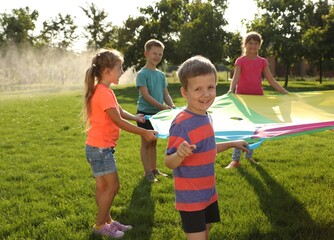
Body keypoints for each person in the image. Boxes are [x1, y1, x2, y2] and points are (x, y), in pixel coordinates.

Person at [165, 56, 250, 240]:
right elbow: (169, 162)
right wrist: (179, 154)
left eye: (210, 87)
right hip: (191, 198)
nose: (206, 94)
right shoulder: (182, 124)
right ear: (185, 92)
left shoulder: (205, 116)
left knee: (207, 228)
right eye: (197, 89)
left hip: (208, 192)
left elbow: (207, 148)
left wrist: (231, 144)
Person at [83, 49, 157, 238]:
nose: (122, 71)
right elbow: (118, 121)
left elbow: (120, 111)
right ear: (107, 70)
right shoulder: (104, 93)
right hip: (101, 149)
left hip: (95, 147)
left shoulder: (102, 90)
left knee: (102, 187)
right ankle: (100, 225)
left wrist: (136, 117)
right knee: (113, 187)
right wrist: (144, 132)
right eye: (120, 68)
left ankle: (107, 220)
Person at [226, 31, 289, 169]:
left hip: (258, 100)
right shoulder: (240, 61)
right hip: (241, 100)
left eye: (256, 43)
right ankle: (235, 160)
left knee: (253, 130)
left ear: (259, 46)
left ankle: (249, 156)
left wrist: (284, 92)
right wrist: (231, 90)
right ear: (245, 44)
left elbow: (271, 80)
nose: (253, 45)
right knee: (240, 129)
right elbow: (235, 78)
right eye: (250, 43)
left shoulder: (262, 61)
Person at [136, 39, 176, 182]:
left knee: (154, 142)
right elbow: (146, 96)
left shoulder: (160, 75)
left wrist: (171, 105)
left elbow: (166, 94)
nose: (157, 56)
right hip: (145, 115)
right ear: (146, 53)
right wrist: (162, 107)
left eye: (160, 54)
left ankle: (154, 169)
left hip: (158, 116)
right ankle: (147, 173)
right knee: (146, 143)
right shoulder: (142, 74)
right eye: (154, 53)